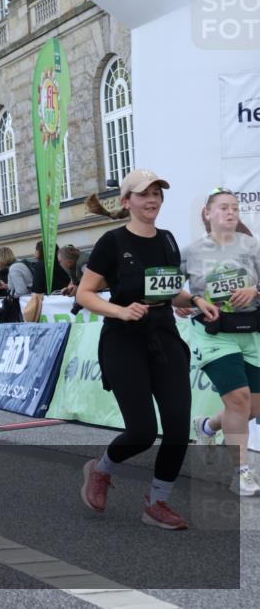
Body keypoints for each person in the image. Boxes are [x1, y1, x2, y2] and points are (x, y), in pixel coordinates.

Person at [77, 169, 219, 530]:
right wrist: (121, 311)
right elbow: (85, 294)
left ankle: (157, 502)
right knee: (141, 432)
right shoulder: (112, 242)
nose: (152, 200)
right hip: (123, 339)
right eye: (144, 194)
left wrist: (195, 300)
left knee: (178, 429)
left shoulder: (168, 240)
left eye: (157, 193)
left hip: (164, 335)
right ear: (127, 202)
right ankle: (100, 469)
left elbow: (169, 292)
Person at [184, 187, 260, 496]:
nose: (230, 212)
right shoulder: (191, 252)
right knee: (238, 399)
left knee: (250, 407)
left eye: (235, 208)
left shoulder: (253, 247)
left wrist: (255, 290)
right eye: (223, 207)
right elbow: (171, 290)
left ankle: (206, 426)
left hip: (250, 332)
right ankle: (241, 473)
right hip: (212, 333)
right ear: (208, 213)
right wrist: (188, 301)